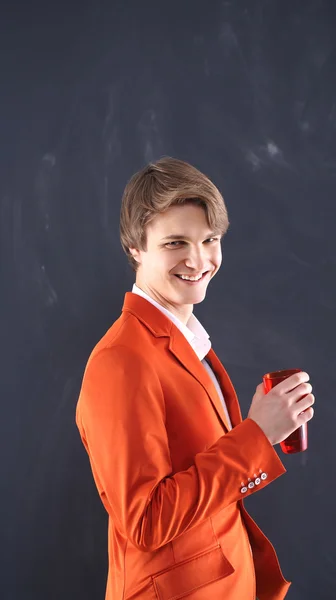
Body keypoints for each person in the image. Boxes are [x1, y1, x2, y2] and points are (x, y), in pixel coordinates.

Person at [76, 157, 315, 600]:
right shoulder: (121, 360)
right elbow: (145, 522)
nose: (199, 260)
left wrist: (256, 432)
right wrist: (256, 436)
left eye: (210, 239)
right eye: (175, 243)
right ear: (135, 248)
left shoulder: (185, 340)